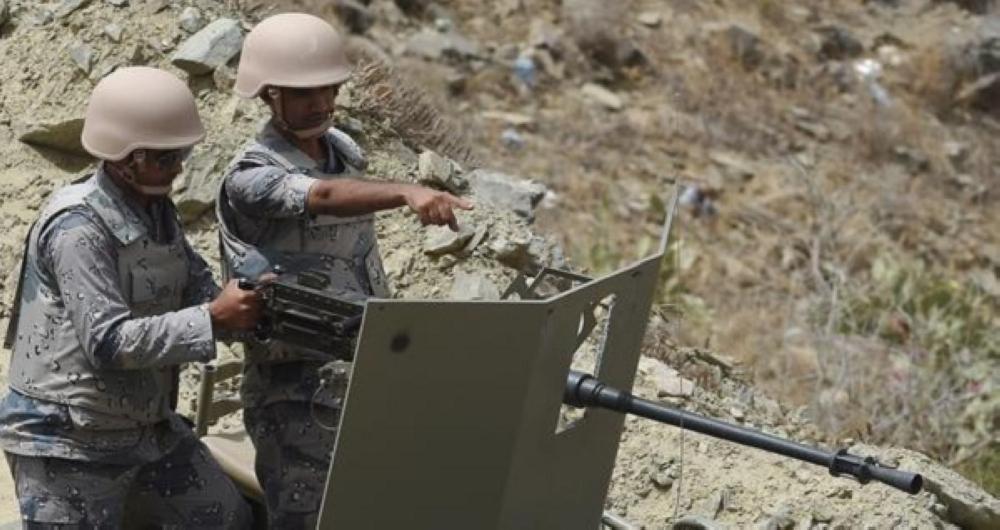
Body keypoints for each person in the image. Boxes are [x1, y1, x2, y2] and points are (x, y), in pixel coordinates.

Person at [218, 12, 472, 529]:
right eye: (303, 94)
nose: (320, 104)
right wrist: (407, 191)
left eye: (327, 89)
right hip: (291, 388)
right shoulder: (252, 173)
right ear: (269, 95)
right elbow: (324, 198)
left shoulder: (343, 151)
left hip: (361, 373)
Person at [0, 66, 259, 529]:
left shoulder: (154, 209)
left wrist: (247, 303)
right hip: (67, 443)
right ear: (124, 159)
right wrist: (213, 318)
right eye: (164, 158)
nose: (178, 168)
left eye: (180, 154)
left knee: (224, 517)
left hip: (143, 430)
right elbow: (108, 342)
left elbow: (192, 281)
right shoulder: (77, 229)